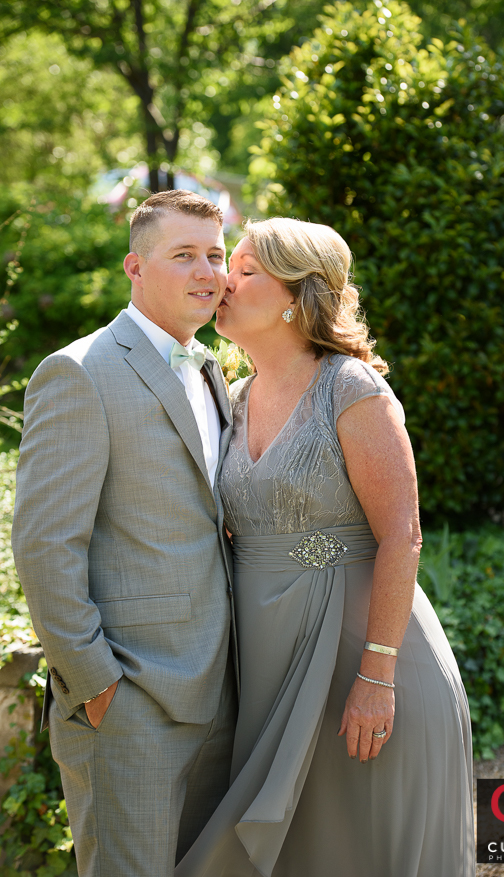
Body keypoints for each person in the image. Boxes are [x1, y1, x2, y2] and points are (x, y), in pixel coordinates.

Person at [175, 217, 475, 877]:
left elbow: (402, 533)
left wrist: (377, 675)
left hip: (362, 667)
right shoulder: (232, 397)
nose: (225, 279)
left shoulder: (351, 388)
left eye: (247, 269)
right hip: (270, 669)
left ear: (295, 295)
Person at [11, 190, 238, 877]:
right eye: (184, 255)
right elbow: (46, 544)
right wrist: (96, 683)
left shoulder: (211, 368)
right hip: (128, 702)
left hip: (220, 693)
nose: (208, 272)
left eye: (216, 254)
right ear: (134, 267)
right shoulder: (79, 372)